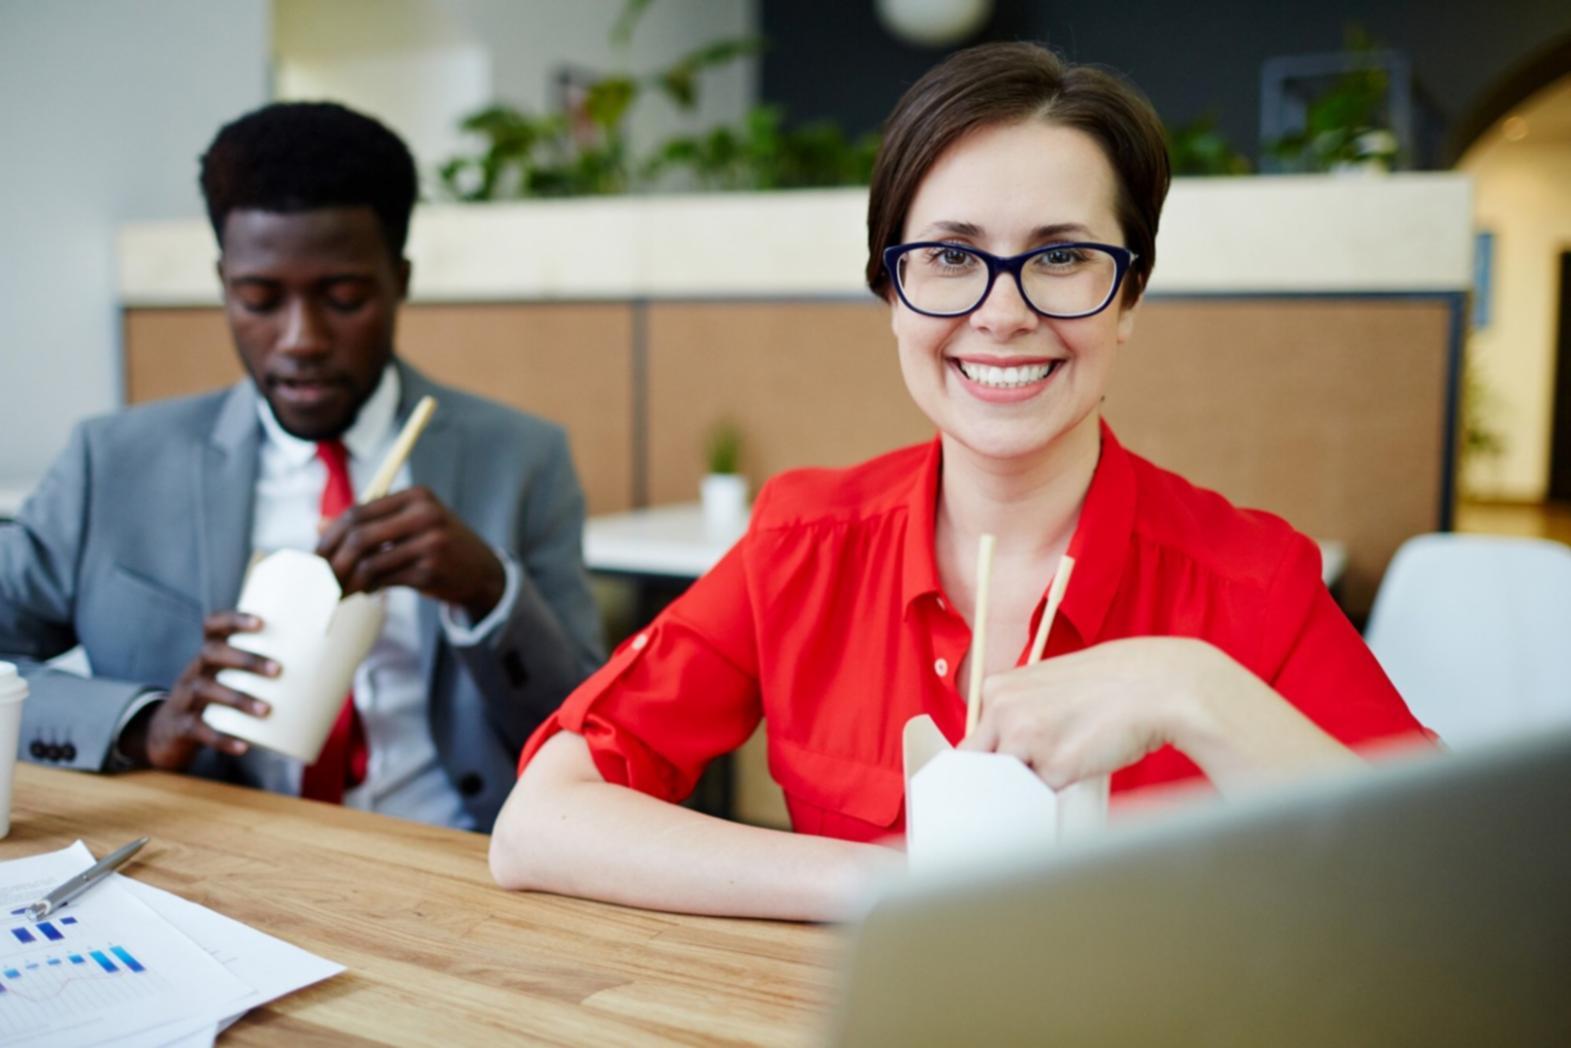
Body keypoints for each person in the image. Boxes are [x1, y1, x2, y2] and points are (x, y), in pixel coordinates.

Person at [488, 42, 1429, 916]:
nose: (1003, 311)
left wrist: (1189, 689)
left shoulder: (1250, 579)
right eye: (948, 256)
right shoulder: (802, 543)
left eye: (1061, 257)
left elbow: (1449, 889)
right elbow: (539, 825)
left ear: (1129, 296)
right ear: (890, 292)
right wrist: (911, 889)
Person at [1, 101, 604, 831]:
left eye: (344, 298)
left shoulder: (521, 457)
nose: (301, 340)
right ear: (224, 282)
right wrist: (140, 724)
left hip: (453, 862)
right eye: (258, 299)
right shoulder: (114, 462)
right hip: (210, 867)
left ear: (400, 280)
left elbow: (596, 729)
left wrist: (490, 591)